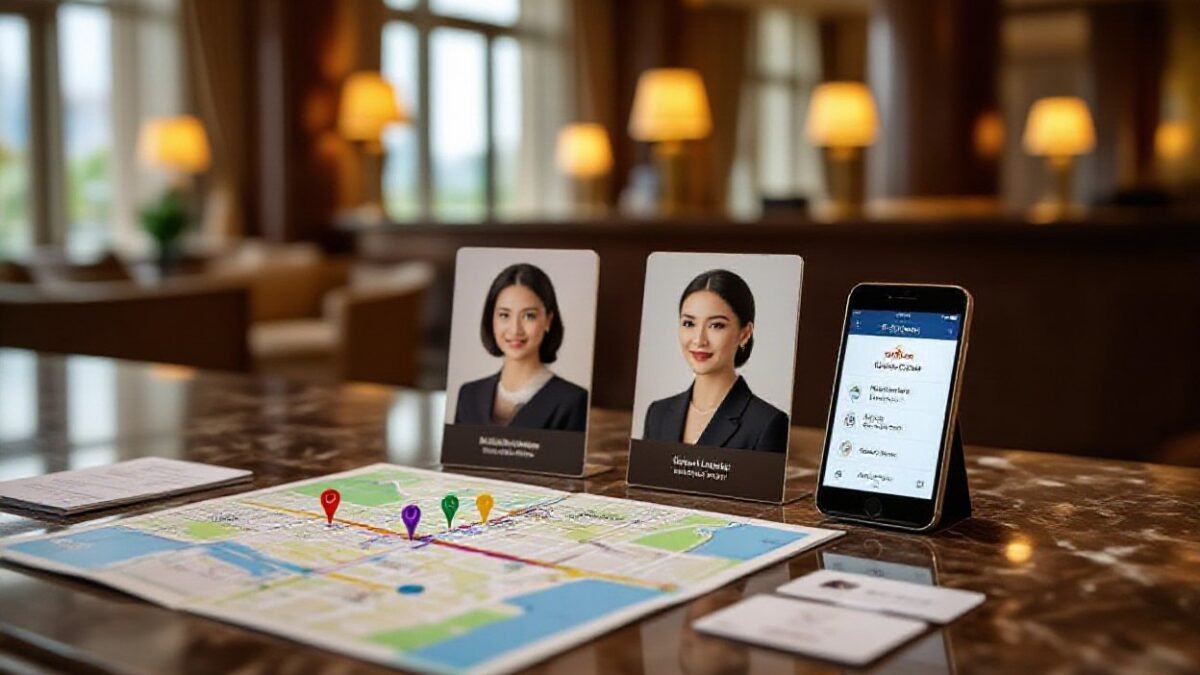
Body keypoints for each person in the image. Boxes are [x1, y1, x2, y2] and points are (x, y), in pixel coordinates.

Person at [642, 269, 789, 452]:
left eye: (716, 325)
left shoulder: (767, 424)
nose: (699, 340)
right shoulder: (657, 414)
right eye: (689, 323)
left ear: (745, 334)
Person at [454, 263, 588, 431]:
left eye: (529, 316)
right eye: (504, 315)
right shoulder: (469, 395)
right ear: (491, 319)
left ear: (548, 320)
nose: (515, 329)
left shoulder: (572, 401)